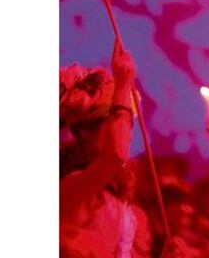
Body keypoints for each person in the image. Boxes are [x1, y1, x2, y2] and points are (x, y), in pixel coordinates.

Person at [60, 40, 152, 258]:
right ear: (86, 132)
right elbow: (116, 155)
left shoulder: (115, 201)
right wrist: (123, 85)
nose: (128, 132)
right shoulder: (68, 188)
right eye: (120, 121)